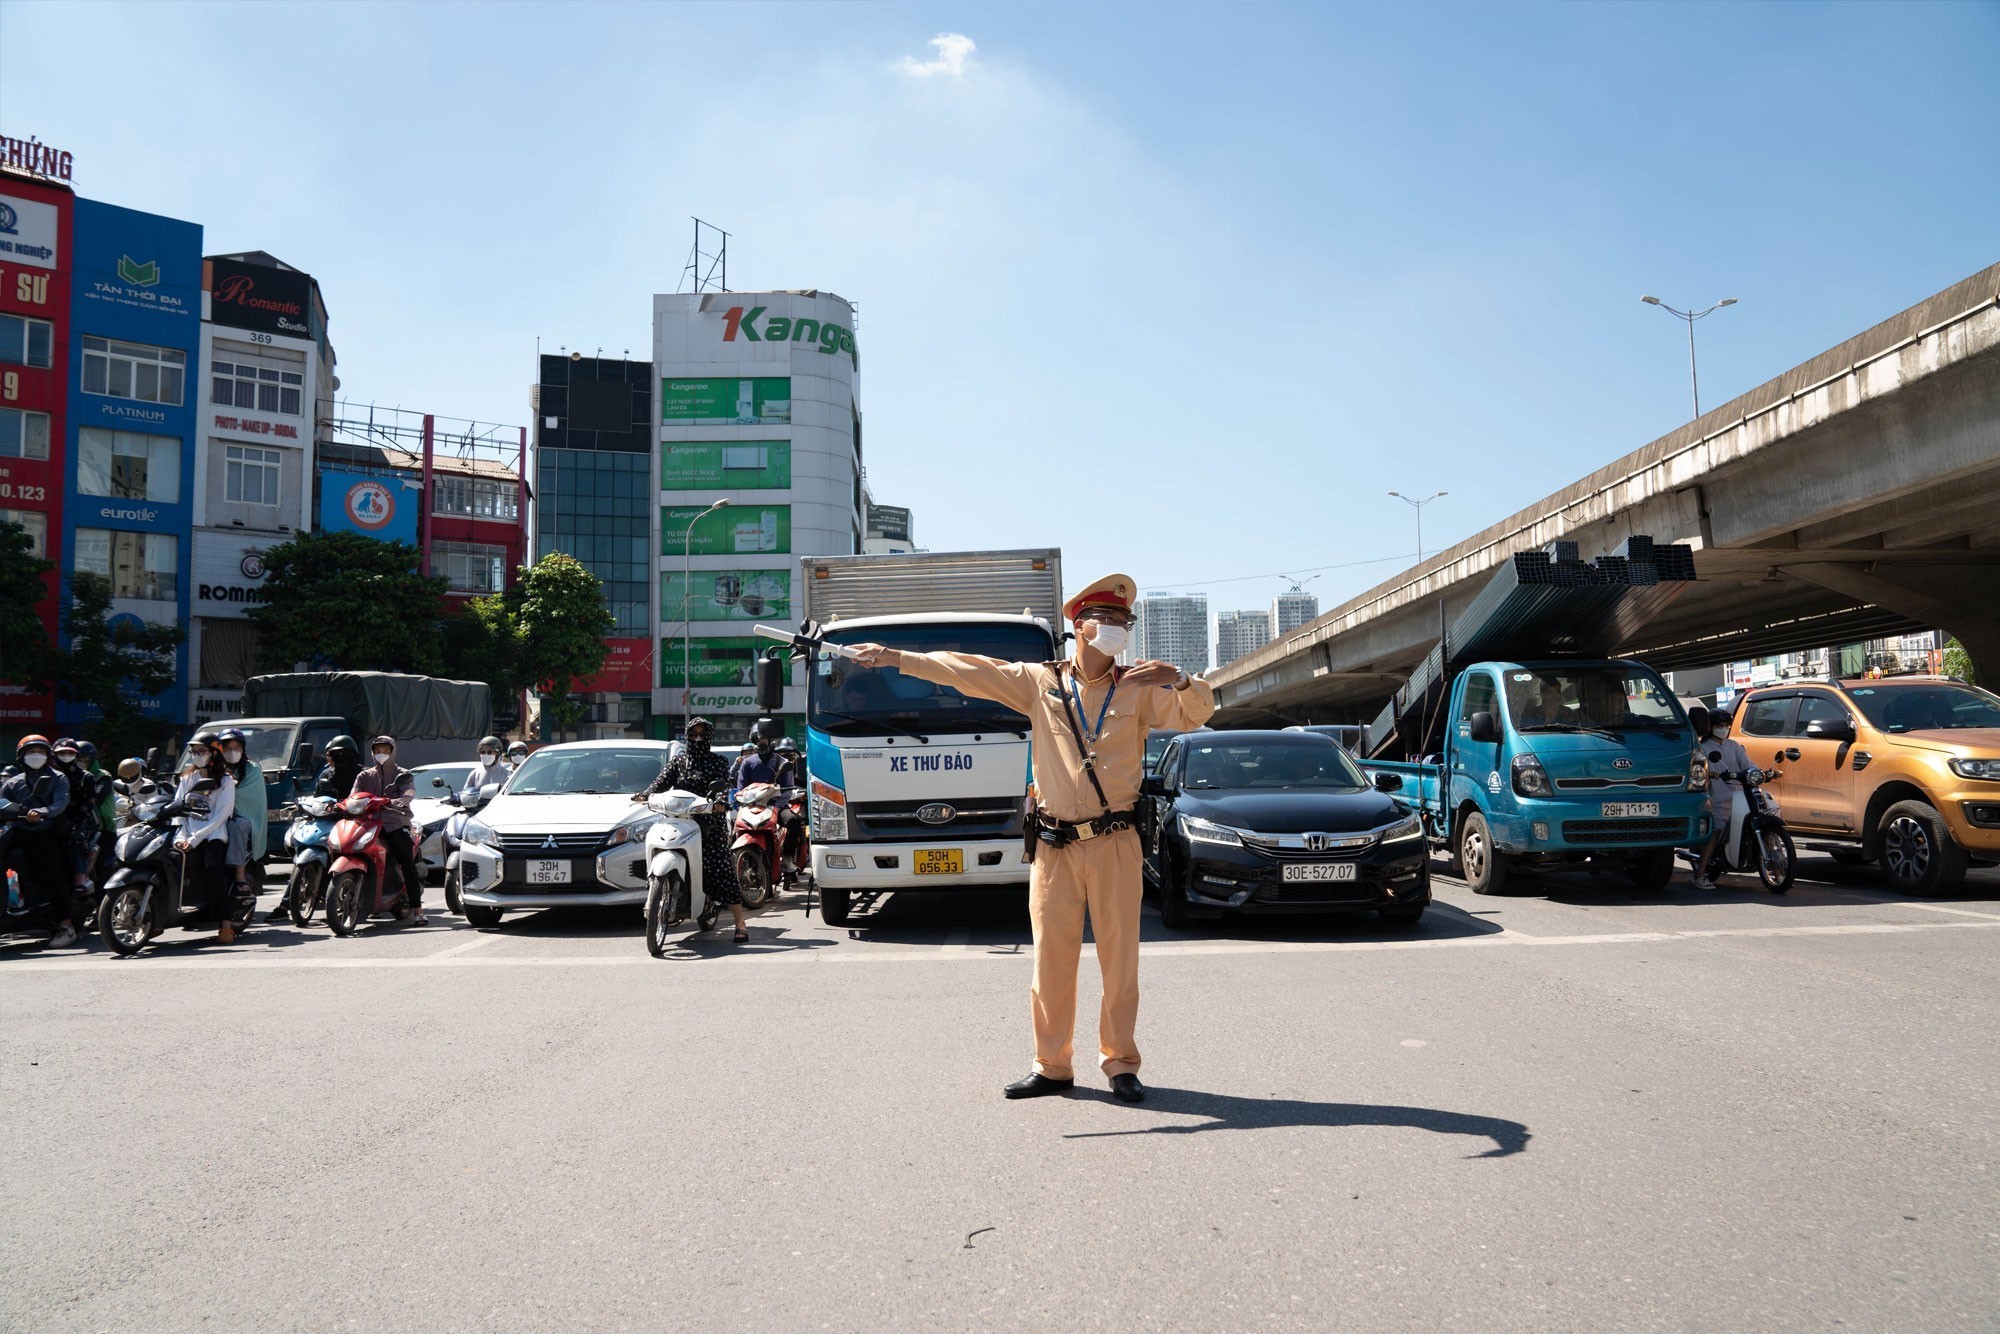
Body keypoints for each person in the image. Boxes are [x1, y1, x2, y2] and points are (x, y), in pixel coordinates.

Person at [849, 572, 1216, 1104]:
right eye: (1106, 619)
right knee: (1051, 959)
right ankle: (1053, 1065)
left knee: (1120, 960)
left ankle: (1120, 1063)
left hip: (1115, 841)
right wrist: (895, 657)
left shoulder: (1139, 687)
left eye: (1123, 621)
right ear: (1079, 625)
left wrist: (1179, 678)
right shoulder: (1038, 681)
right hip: (1055, 844)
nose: (1116, 629)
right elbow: (966, 670)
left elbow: (1198, 713)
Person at [632, 717, 747, 942]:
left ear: (709, 737)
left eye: (702, 735)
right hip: (680, 820)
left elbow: (723, 785)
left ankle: (740, 923)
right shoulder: (678, 762)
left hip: (709, 822)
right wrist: (645, 794)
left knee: (720, 867)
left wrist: (720, 801)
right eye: (693, 734)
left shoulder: (719, 761)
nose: (697, 738)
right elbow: (661, 782)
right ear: (687, 736)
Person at [267, 735, 364, 922]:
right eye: (332, 755)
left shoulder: (362, 774)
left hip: (351, 823)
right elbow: (318, 797)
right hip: (325, 820)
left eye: (338, 754)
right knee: (300, 852)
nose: (333, 759)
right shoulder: (326, 774)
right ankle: (286, 904)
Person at [3, 735, 78, 947]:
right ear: (21, 756)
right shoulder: (12, 783)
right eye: (30, 752)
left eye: (40, 751)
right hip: (18, 831)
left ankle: (66, 924)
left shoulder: (58, 778)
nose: (35, 755)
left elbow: (60, 804)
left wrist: (42, 812)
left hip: (46, 831)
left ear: (47, 755)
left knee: (50, 872)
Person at [173, 732, 245, 941]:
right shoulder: (187, 779)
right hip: (187, 835)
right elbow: (180, 810)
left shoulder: (226, 782)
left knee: (214, 871)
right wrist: (181, 835)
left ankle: (225, 924)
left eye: (201, 751)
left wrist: (195, 838)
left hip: (213, 835)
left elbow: (221, 816)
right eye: (194, 752)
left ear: (214, 753)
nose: (197, 755)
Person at [350, 735, 425, 926]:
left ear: (392, 751)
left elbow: (409, 792)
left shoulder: (402, 773)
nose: (381, 754)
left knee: (406, 863)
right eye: (377, 750)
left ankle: (418, 910)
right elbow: (354, 796)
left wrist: (400, 801)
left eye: (385, 750)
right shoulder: (365, 775)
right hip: (369, 825)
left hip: (394, 824)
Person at [1692, 704, 1755, 891]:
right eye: (1719, 725)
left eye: (1727, 725)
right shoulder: (1702, 748)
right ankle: (1699, 874)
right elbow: (1698, 772)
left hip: (1741, 793)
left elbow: (1748, 765)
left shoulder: (1734, 746)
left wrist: (1764, 772)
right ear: (1710, 727)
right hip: (1717, 796)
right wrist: (1710, 775)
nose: (1724, 728)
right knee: (1718, 828)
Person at [216, 728, 267, 916]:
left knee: (236, 826)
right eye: (227, 748)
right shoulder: (214, 767)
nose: (232, 751)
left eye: (236, 747)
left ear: (243, 749)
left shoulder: (252, 769)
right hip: (212, 817)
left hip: (243, 816)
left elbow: (248, 797)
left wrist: (227, 789)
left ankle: (239, 877)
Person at [463, 735, 510, 804]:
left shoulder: (507, 774)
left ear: (498, 753)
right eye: (482, 752)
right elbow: (466, 793)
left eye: (489, 752)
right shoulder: (475, 773)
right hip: (477, 810)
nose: (485, 754)